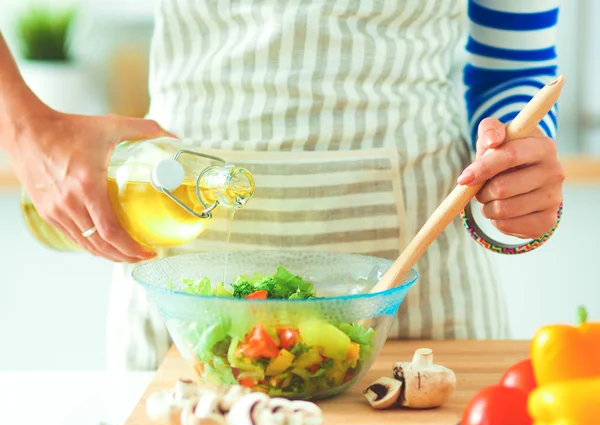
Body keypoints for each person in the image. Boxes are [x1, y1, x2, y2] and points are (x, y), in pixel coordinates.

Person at [0, 0, 564, 371]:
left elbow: (512, 60)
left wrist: (515, 158)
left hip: (423, 292)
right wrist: (25, 129)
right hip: (185, 297)